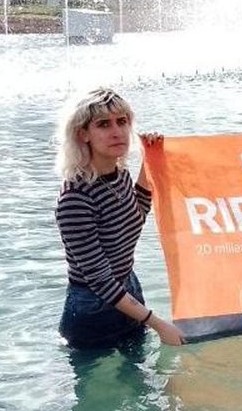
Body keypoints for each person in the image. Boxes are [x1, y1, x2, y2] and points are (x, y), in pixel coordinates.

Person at [55, 87, 186, 349]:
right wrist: (157, 323)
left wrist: (152, 156)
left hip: (129, 291)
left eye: (122, 121)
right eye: (103, 124)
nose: (117, 131)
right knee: (101, 387)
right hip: (92, 308)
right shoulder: (75, 199)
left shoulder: (119, 176)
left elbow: (137, 214)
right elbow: (100, 280)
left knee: (139, 384)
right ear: (83, 134)